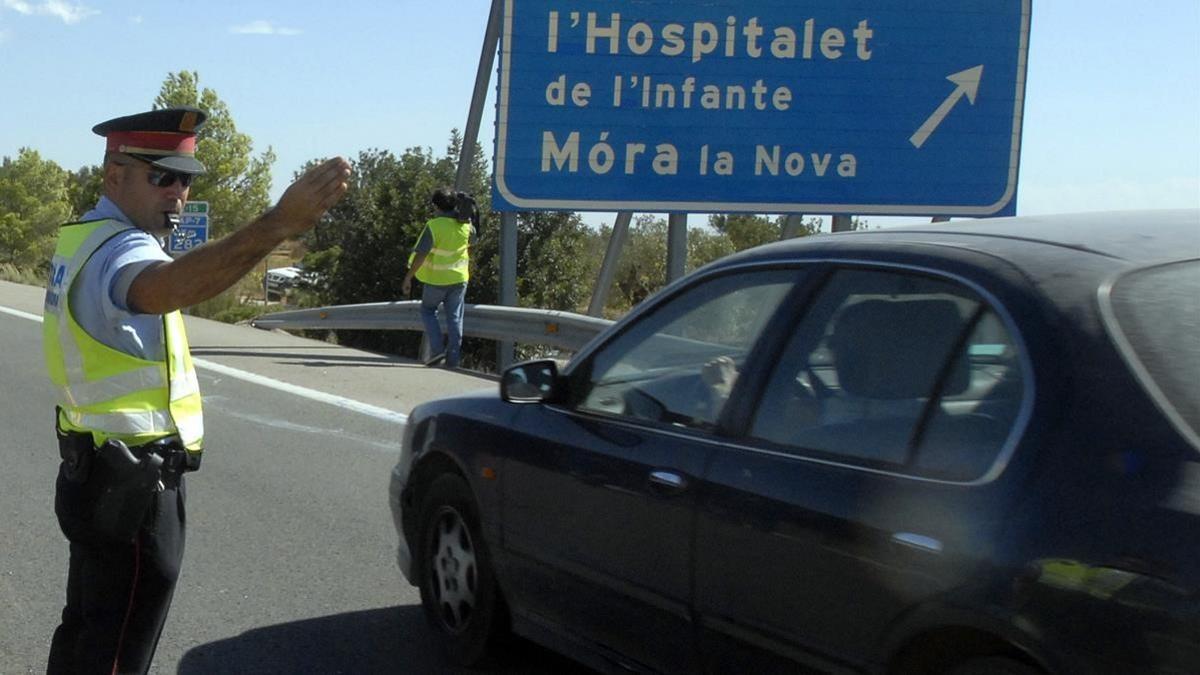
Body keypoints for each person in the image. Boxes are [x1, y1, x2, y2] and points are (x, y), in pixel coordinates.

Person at [42, 106, 351, 674]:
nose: (179, 191)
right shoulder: (120, 249)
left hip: (93, 474)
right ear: (116, 176)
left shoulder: (83, 238)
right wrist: (276, 224)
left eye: (186, 178)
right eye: (163, 176)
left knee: (86, 636)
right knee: (114, 655)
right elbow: (163, 288)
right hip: (131, 487)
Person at [400, 187, 477, 368]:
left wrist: (408, 277)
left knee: (428, 311)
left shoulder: (434, 226)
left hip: (436, 280)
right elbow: (472, 244)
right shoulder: (467, 226)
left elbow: (421, 255)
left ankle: (437, 352)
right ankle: (453, 361)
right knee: (455, 318)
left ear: (436, 206)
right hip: (459, 280)